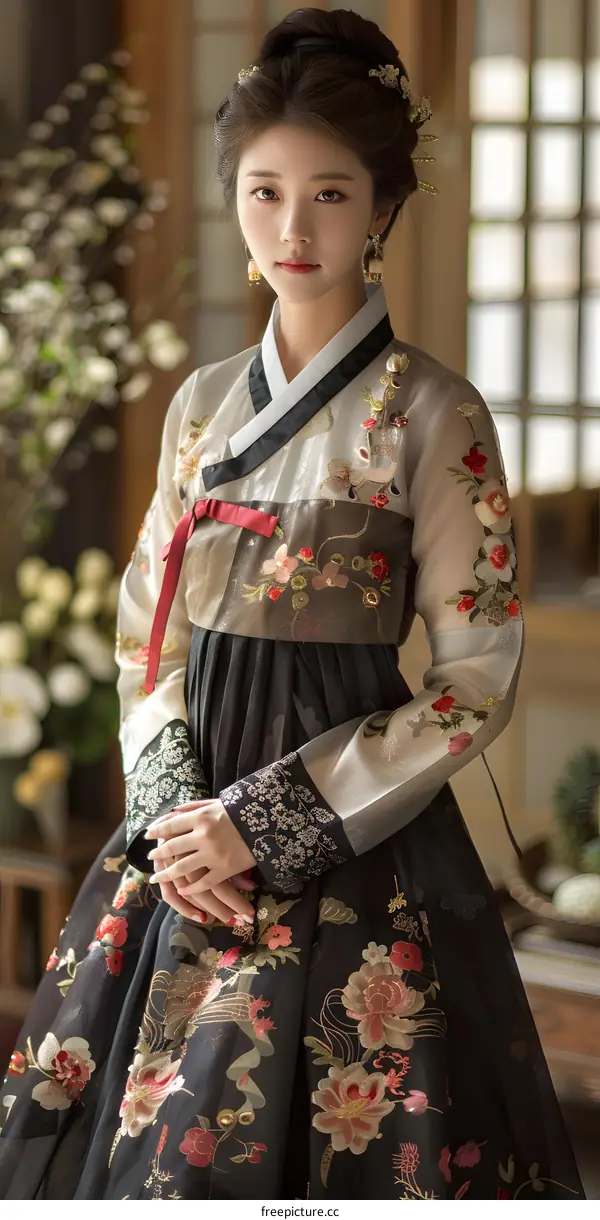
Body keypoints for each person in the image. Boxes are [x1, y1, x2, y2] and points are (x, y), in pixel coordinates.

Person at [0, 6, 585, 1202]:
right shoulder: (203, 403)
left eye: (329, 193)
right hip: (186, 835)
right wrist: (175, 821)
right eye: (264, 192)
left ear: (382, 208)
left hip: (346, 832)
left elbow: (474, 677)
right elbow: (146, 629)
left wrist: (262, 826)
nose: (293, 227)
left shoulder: (435, 414)